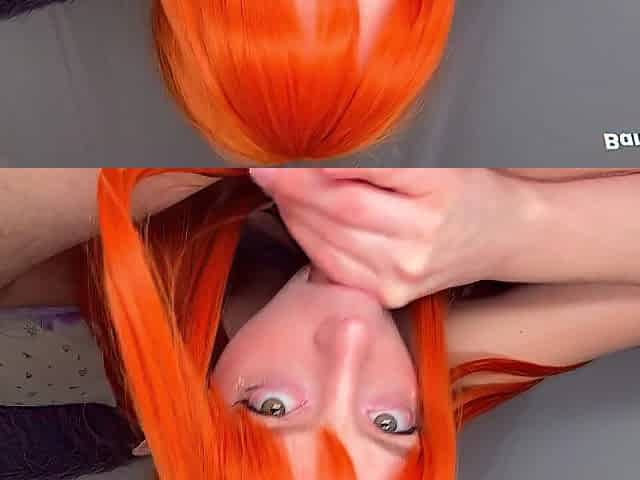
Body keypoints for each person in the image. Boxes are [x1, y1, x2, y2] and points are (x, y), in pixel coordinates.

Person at [1, 167, 639, 480]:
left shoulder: (115, 259)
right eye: (387, 426)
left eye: (273, 407)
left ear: (163, 419)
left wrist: (246, 141)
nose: (350, 342)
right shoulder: (433, 367)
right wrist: (516, 225)